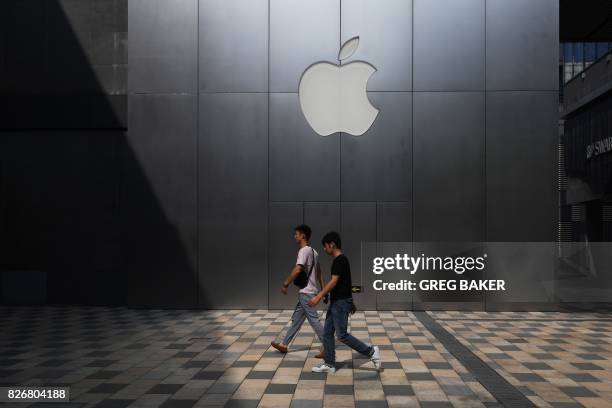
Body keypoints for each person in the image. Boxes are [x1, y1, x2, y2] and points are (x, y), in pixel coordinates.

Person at [308, 231, 381, 373]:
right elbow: (347, 283)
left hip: (340, 303)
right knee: (327, 333)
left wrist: (318, 296)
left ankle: (371, 351)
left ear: (332, 244)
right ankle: (329, 364)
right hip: (338, 302)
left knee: (341, 335)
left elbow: (334, 282)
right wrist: (351, 302)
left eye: (325, 246)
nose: (324, 249)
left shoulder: (339, 260)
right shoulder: (342, 260)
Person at [271, 224, 325, 358]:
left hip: (306, 292)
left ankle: (328, 346)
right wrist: (323, 290)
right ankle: (284, 344)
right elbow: (319, 272)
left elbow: (298, 269)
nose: (294, 236)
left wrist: (286, 283)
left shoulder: (303, 251)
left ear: (303, 235)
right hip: (309, 292)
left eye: (296, 234)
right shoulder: (314, 252)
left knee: (314, 320)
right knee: (297, 319)